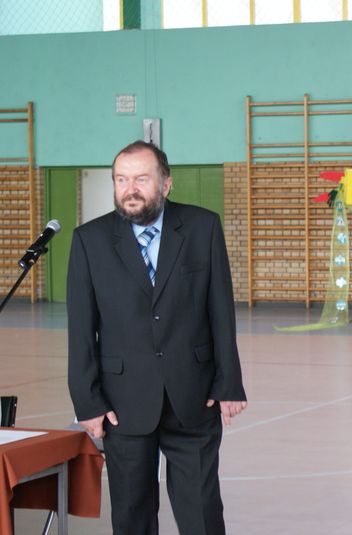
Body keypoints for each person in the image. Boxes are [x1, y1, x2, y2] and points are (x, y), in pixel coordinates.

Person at [67, 140, 247, 535]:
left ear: (166, 183)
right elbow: (80, 330)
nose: (130, 189)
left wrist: (229, 383)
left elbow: (221, 310)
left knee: (201, 513)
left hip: (195, 395)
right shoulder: (89, 240)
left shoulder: (202, 227)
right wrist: (87, 402)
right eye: (121, 179)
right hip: (122, 403)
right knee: (132, 514)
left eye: (141, 179)